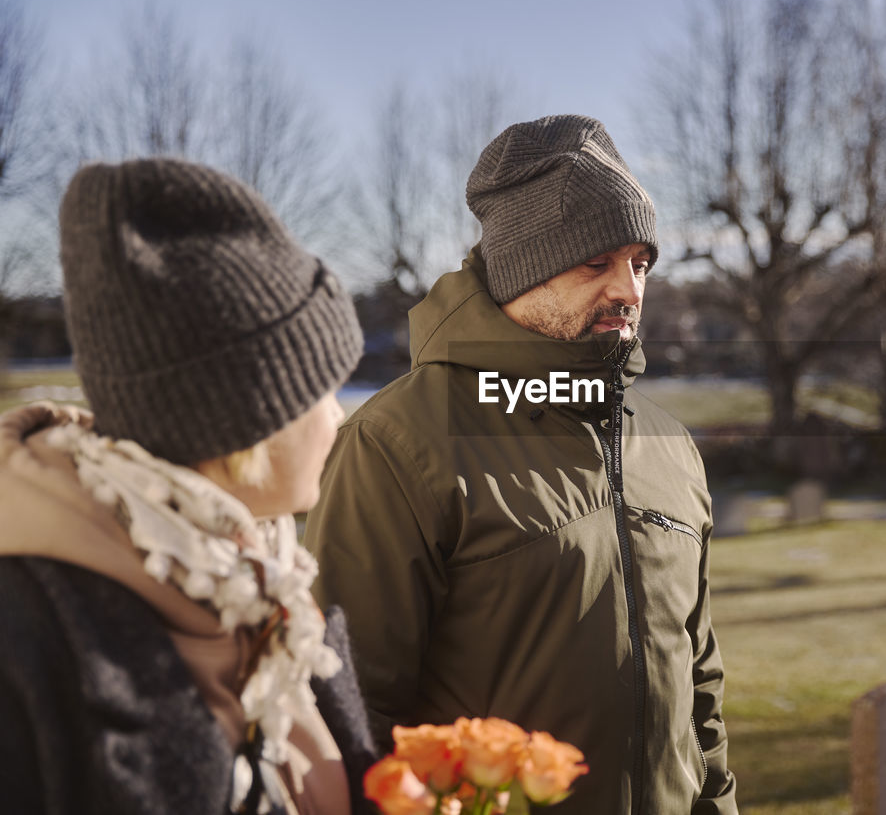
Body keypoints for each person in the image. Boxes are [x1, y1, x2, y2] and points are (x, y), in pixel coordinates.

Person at [304, 114, 738, 815]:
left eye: (640, 262)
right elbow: (351, 717)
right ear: (521, 270)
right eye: (595, 262)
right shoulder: (397, 443)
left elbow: (702, 696)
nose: (628, 291)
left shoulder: (669, 446)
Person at [0, 158, 377, 815]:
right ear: (247, 424)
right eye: (321, 388)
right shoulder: (30, 644)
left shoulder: (270, 580)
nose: (339, 414)